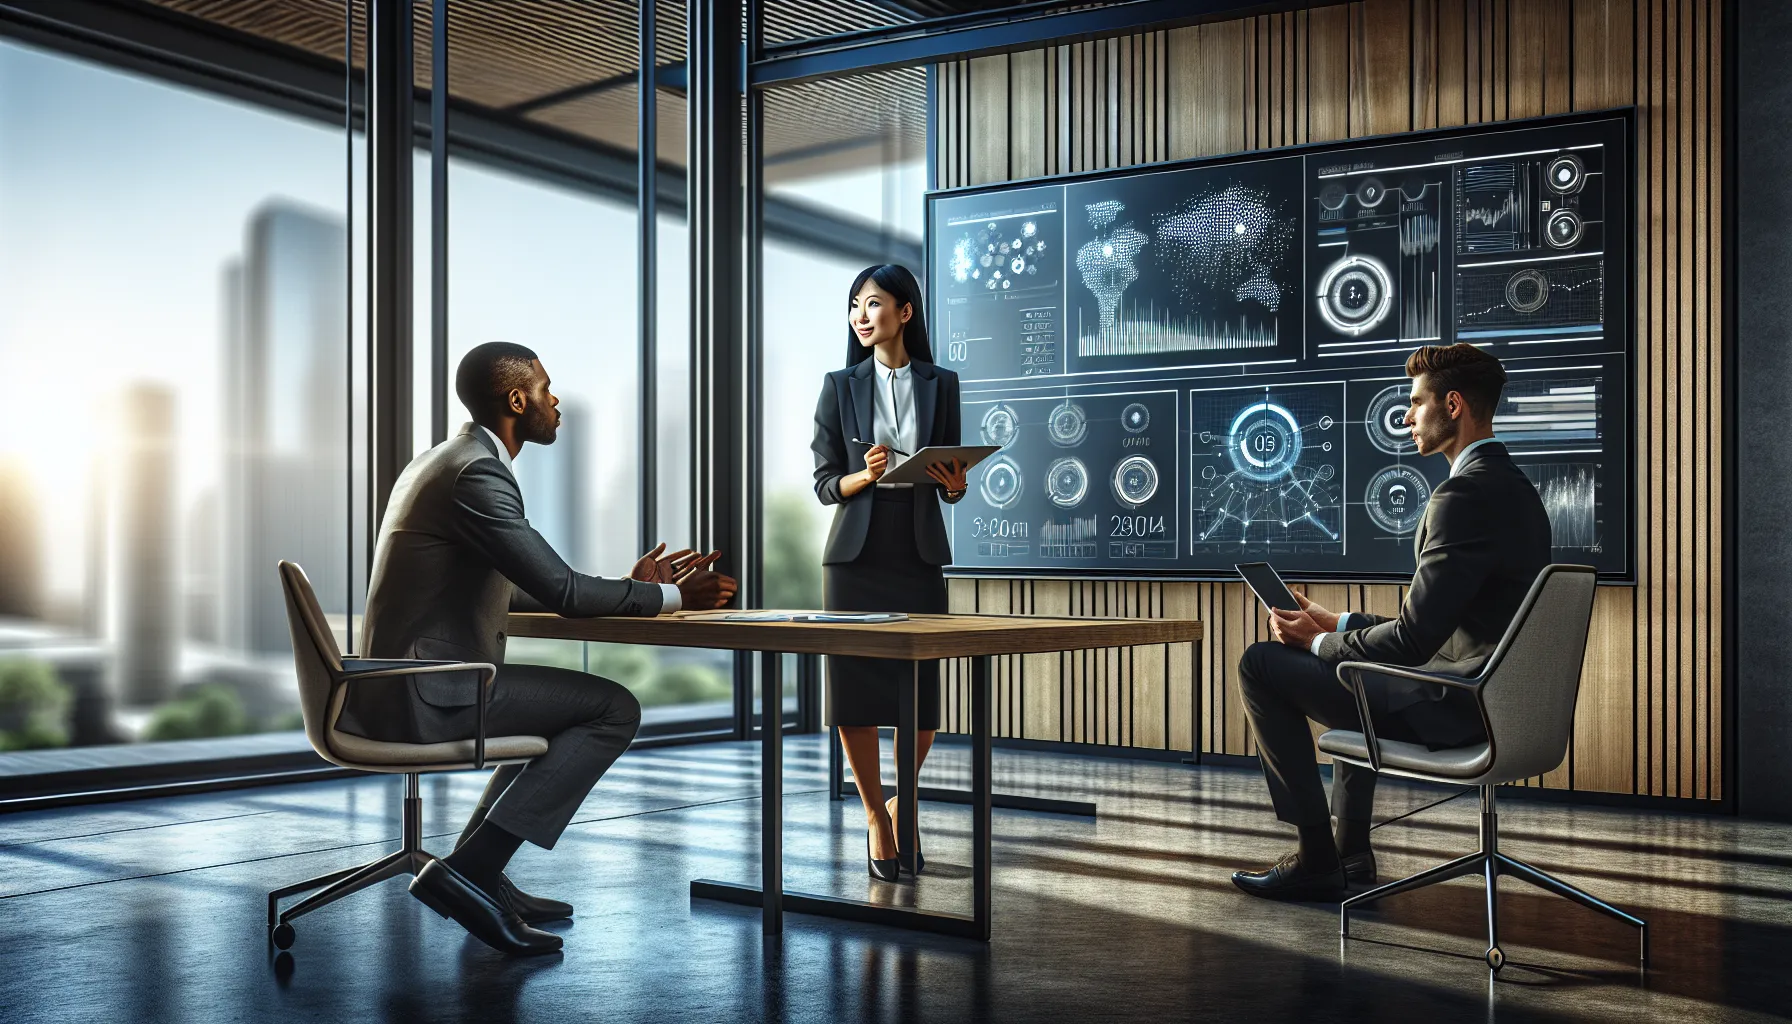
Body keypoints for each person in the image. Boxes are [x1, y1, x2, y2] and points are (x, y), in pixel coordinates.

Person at [353, 341, 737, 954]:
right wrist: (674, 599)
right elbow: (559, 586)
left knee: (564, 710)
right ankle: (468, 874)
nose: (555, 401)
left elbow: (519, 592)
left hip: (397, 683)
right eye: (546, 389)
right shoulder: (476, 473)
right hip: (424, 692)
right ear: (516, 400)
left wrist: (636, 588)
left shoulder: (452, 460)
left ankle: (484, 877)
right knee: (612, 708)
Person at [1230, 342, 1550, 902]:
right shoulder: (1519, 492)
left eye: (1416, 402)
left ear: (1453, 405)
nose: (1405, 416)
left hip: (1457, 709)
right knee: (1358, 666)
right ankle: (1351, 851)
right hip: (1496, 697)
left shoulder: (1461, 496)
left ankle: (1317, 857)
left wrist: (1321, 641)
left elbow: (1411, 642)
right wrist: (1340, 622)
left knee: (1260, 664)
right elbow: (1447, 632)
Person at [811, 264, 968, 882]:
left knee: (922, 701)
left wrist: (954, 487)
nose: (860, 315)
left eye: (873, 304)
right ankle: (878, 815)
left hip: (918, 547)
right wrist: (864, 476)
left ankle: (903, 799)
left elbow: (949, 476)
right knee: (855, 693)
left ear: (906, 311)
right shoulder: (839, 384)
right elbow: (826, 484)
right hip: (855, 554)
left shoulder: (942, 383)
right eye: (854, 306)